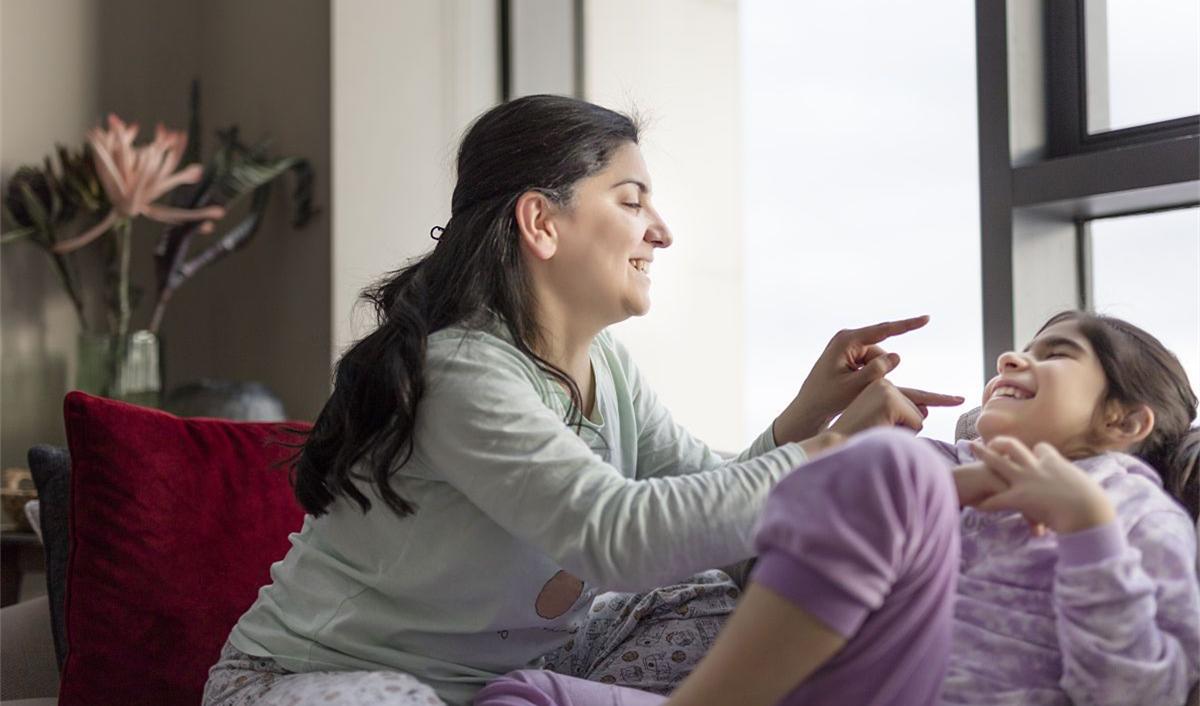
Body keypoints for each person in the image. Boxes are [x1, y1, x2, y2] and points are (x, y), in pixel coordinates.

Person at [201, 94, 962, 706]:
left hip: (511, 680)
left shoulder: (610, 370)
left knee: (719, 602)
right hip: (316, 681)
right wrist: (836, 457)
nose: (661, 233)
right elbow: (614, 535)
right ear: (541, 222)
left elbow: (713, 518)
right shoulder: (461, 370)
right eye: (632, 202)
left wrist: (810, 414)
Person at [477, 310, 1200, 706]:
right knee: (525, 695)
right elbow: (756, 536)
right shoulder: (933, 462)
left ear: (1125, 420)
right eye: (1023, 349)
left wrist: (1089, 530)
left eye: (1057, 354)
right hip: (817, 685)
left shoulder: (1135, 515)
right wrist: (910, 471)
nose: (1012, 359)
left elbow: (1142, 693)